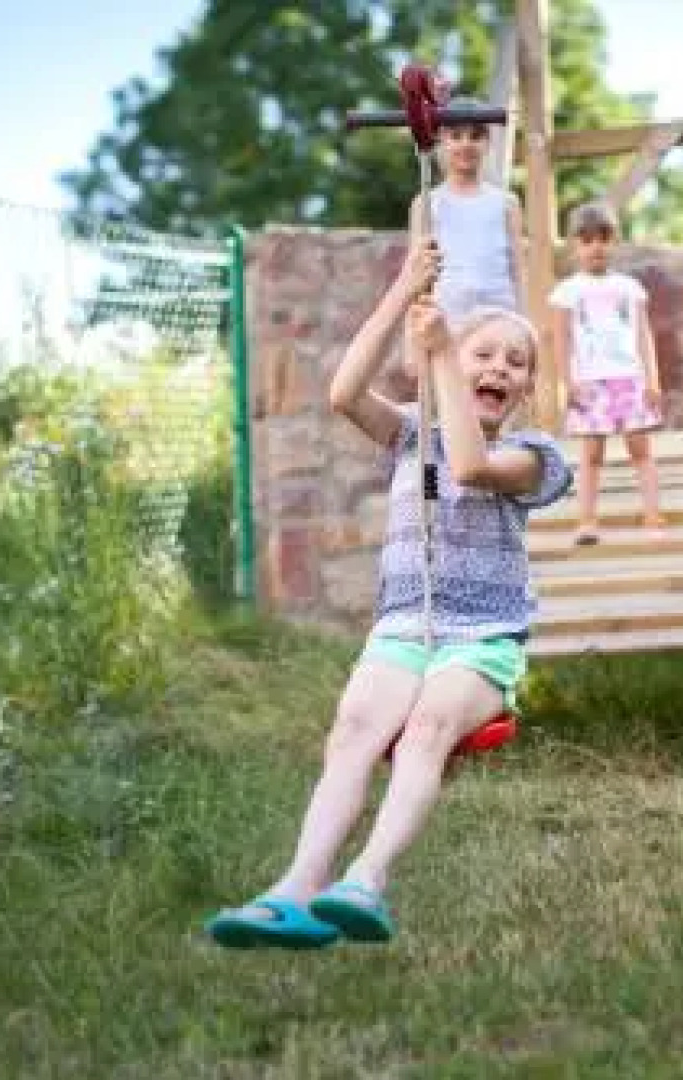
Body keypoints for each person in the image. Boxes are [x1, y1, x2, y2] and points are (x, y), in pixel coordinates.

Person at [204, 238, 572, 950]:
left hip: (480, 638)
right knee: (350, 735)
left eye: (514, 362)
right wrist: (404, 290)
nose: (497, 366)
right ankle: (296, 890)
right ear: (458, 364)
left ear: (525, 389)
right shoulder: (409, 434)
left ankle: (366, 879)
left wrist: (440, 355)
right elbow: (343, 393)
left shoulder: (535, 459)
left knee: (429, 728)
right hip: (405, 627)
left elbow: (467, 466)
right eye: (483, 353)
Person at [548, 201, 666, 546]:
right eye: (586, 240)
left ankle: (652, 514)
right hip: (589, 383)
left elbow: (644, 334)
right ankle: (586, 520)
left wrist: (652, 378)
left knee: (640, 449)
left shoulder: (630, 288)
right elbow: (561, 340)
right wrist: (566, 383)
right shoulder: (567, 291)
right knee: (591, 455)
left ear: (614, 241)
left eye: (603, 238)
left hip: (629, 378)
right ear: (574, 245)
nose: (596, 246)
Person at [401, 97, 526, 376]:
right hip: (447, 323)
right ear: (441, 141)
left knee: (491, 404)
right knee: (450, 410)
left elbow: (518, 270)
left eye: (475, 136)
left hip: (498, 321)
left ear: (488, 142)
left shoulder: (506, 204)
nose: (466, 144)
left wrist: (525, 328)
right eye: (456, 136)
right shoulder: (427, 204)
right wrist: (411, 344)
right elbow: (415, 277)